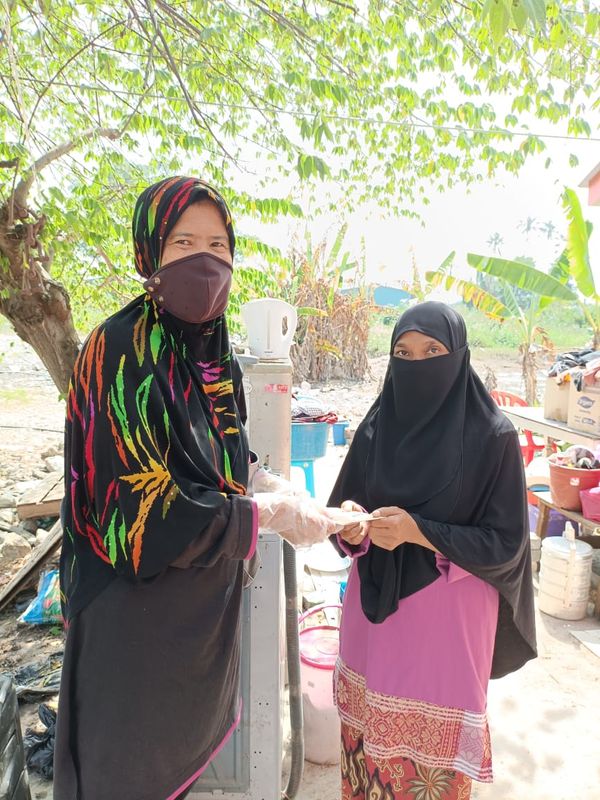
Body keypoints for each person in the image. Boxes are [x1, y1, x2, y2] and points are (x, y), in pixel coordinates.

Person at [53, 176, 336, 800]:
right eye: (183, 243)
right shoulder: (118, 349)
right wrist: (266, 513)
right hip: (132, 627)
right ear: (149, 255)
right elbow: (139, 514)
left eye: (217, 243)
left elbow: (221, 459)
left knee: (176, 773)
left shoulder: (217, 358)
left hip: (197, 629)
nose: (204, 261)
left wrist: (266, 483)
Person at [329, 302, 536, 800]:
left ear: (458, 356)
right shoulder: (377, 427)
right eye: (403, 352)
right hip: (370, 625)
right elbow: (341, 507)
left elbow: (506, 543)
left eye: (432, 351)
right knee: (365, 768)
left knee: (428, 779)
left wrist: (418, 531)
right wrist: (351, 527)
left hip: (443, 633)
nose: (416, 363)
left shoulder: (494, 438)